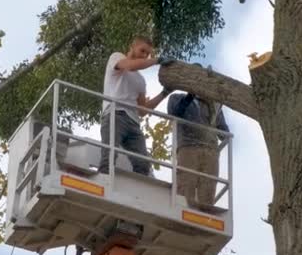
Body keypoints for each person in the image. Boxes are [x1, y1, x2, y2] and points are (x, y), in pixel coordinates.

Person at [98, 36, 174, 175]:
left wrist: (165, 92)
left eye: (148, 54)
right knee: (108, 157)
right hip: (115, 114)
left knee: (143, 164)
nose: (145, 55)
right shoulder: (117, 57)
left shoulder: (140, 80)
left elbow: (143, 110)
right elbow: (130, 66)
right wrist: (157, 60)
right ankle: (103, 182)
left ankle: (140, 193)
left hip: (134, 123)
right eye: (143, 50)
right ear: (132, 46)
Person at [167, 67, 230, 208]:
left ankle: (206, 217)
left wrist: (219, 103)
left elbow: (223, 132)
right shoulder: (177, 98)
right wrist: (190, 96)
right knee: (186, 186)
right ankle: (181, 213)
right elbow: (175, 113)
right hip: (189, 148)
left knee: (208, 191)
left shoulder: (213, 105)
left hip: (211, 151)